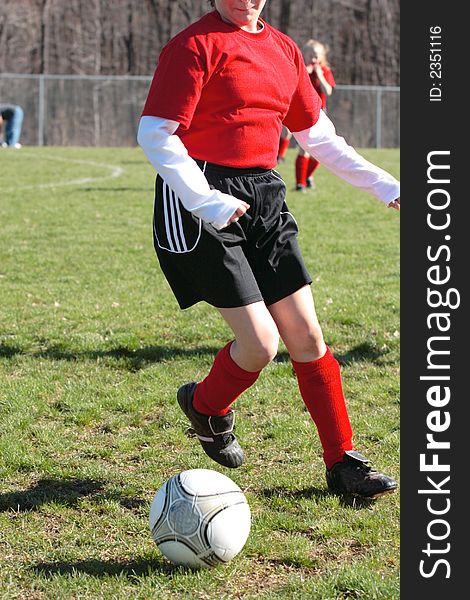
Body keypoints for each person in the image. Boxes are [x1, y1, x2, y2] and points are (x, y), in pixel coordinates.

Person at [138, 0, 400, 499]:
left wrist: (386, 185)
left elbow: (318, 136)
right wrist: (206, 200)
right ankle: (207, 408)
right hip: (199, 196)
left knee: (306, 334)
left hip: (264, 194)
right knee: (260, 345)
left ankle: (343, 463)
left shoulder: (283, 49)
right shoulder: (193, 46)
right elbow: (156, 134)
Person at [295, 39, 336, 191]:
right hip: (304, 113)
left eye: (316, 56)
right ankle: (300, 183)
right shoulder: (301, 70)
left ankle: (307, 176)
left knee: (320, 151)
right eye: (310, 55)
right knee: (303, 149)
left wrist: (320, 75)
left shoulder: (324, 71)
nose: (313, 59)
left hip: (321, 113)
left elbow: (328, 91)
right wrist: (305, 73)